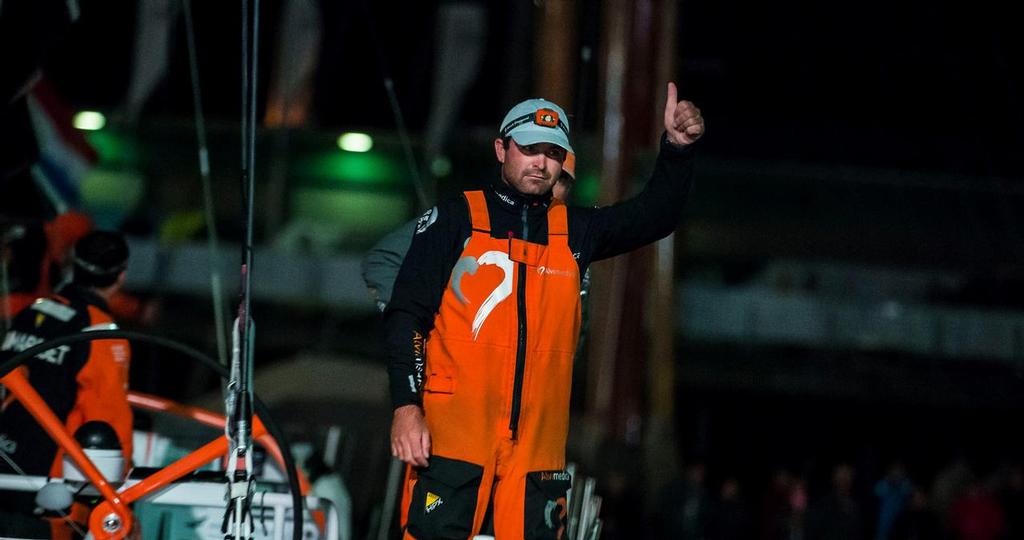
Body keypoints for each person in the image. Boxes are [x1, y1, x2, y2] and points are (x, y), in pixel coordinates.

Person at [383, 82, 704, 539]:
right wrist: (406, 406)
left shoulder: (575, 232)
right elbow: (404, 315)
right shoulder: (455, 218)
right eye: (529, 148)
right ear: (501, 148)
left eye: (553, 152)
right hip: (453, 448)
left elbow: (655, 216)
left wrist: (677, 149)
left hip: (536, 460)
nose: (541, 162)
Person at [0, 230, 133, 536]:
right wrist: (117, 493)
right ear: (121, 276)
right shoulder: (100, 333)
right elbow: (109, 417)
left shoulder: (33, 310)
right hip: (49, 489)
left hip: (7, 461)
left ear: (75, 264)